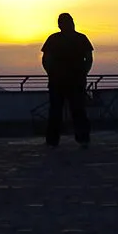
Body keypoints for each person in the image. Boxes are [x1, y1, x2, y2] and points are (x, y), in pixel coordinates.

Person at [40, 12, 93, 148]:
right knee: (77, 110)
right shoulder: (81, 38)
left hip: (61, 81)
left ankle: (53, 141)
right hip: (73, 80)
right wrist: (83, 73)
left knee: (58, 111)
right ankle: (82, 139)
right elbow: (89, 59)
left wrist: (50, 73)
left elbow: (46, 59)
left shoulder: (54, 39)